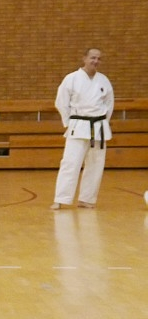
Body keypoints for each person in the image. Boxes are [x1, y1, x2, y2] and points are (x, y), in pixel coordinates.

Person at [50, 48, 114, 210]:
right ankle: (61, 198)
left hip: (98, 127)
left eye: (99, 58)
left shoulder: (103, 80)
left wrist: (103, 122)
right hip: (78, 126)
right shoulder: (71, 79)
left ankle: (87, 199)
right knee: (70, 163)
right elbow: (61, 102)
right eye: (93, 57)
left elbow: (109, 104)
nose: (95, 61)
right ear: (84, 58)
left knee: (95, 165)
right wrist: (69, 122)